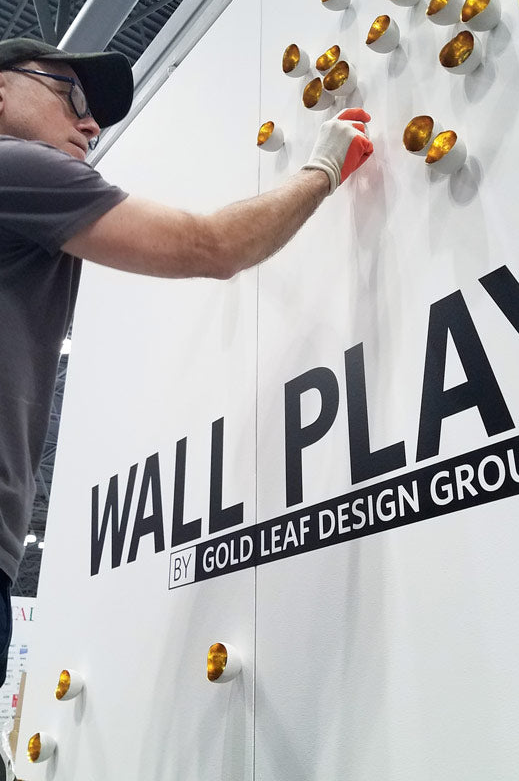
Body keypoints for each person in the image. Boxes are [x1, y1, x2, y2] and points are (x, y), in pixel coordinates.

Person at [0, 37, 375, 682]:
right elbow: (212, 246)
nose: (90, 124)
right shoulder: (16, 166)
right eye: (73, 97)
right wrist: (323, 167)